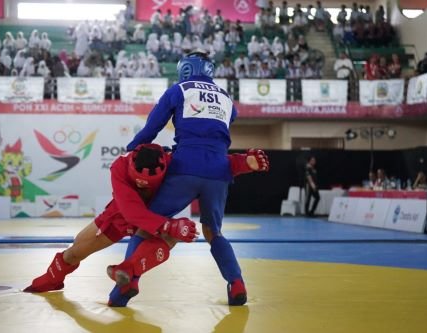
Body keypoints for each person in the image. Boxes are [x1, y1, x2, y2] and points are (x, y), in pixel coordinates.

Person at [106, 51, 268, 307]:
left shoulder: (179, 89)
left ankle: (127, 283)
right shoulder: (226, 98)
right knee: (213, 232)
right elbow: (227, 123)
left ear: (185, 69)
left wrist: (131, 149)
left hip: (185, 167)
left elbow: (153, 127)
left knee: (147, 225)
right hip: (219, 171)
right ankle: (236, 283)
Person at [23, 144, 268, 300]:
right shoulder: (120, 166)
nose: (144, 185)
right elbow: (131, 211)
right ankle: (52, 278)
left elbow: (206, 166)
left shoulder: (173, 161)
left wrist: (242, 163)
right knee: (76, 249)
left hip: (155, 217)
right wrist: (168, 225)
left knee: (171, 237)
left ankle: (130, 274)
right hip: (120, 216)